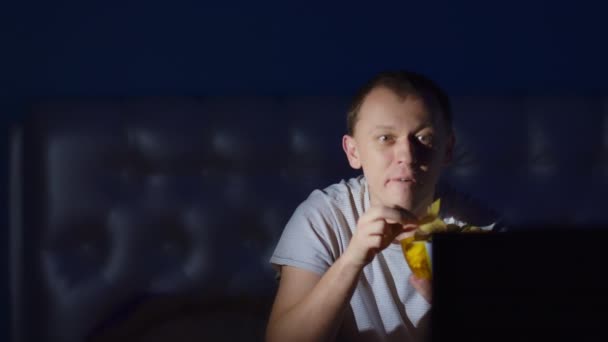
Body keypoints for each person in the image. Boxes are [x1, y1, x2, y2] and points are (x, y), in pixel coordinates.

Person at [266, 70, 500, 342]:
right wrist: (351, 261)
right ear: (353, 151)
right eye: (385, 138)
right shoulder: (323, 217)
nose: (407, 156)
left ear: (447, 150)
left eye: (424, 138)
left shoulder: (481, 229)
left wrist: (455, 306)